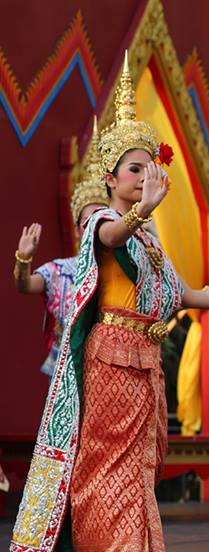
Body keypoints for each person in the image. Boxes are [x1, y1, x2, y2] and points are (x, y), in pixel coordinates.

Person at [6, 53, 209, 552]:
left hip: (145, 360)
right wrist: (142, 209)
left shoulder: (149, 242)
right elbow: (109, 237)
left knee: (141, 459)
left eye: (149, 168)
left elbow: (181, 294)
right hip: (110, 356)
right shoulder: (105, 222)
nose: (145, 177)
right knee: (104, 456)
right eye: (134, 169)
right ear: (111, 178)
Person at [13, 119, 110, 378]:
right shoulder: (59, 271)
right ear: (78, 229)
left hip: (109, 374)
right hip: (67, 373)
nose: (94, 227)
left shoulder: (120, 271)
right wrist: (23, 259)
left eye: (102, 219)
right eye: (88, 221)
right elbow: (24, 285)